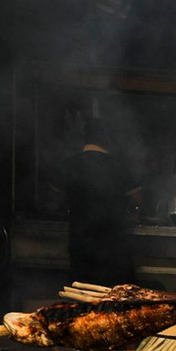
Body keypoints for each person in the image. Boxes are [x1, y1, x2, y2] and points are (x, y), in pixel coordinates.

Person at [63, 118, 143, 287]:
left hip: (80, 244)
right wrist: (133, 212)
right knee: (114, 297)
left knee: (82, 296)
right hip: (113, 245)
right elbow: (137, 198)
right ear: (106, 138)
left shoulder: (69, 164)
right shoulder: (119, 166)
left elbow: (53, 197)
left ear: (85, 137)